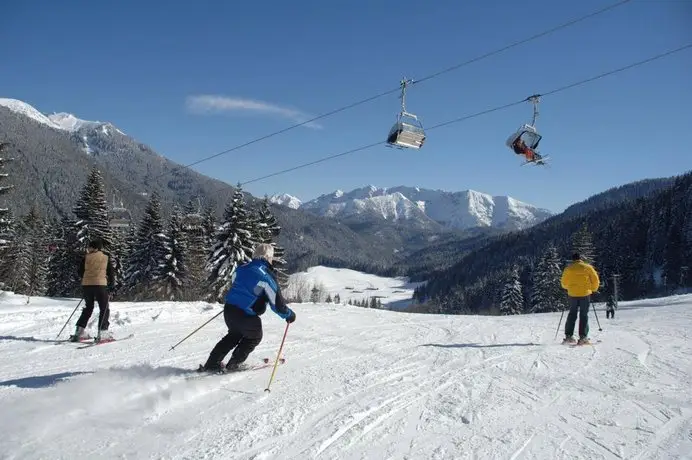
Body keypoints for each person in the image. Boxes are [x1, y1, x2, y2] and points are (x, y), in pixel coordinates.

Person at [200, 243, 296, 373]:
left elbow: (237, 285)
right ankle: (234, 364)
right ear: (269, 258)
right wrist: (289, 315)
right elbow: (277, 304)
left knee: (233, 335)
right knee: (254, 336)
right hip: (245, 315)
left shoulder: (241, 268)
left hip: (229, 310)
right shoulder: (267, 277)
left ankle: (212, 363)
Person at [70, 238, 115, 342]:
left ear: (93, 248)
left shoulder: (86, 257)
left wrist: (88, 279)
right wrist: (112, 285)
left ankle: (79, 332)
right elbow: (111, 273)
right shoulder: (105, 257)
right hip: (100, 285)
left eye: (90, 247)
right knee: (104, 308)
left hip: (86, 286)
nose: (88, 249)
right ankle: (103, 332)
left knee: (88, 308)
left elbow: (80, 272)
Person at [560, 252, 600, 345]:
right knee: (584, 315)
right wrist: (593, 289)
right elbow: (595, 280)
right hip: (585, 294)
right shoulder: (588, 267)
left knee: (572, 314)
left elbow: (563, 283)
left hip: (572, 295)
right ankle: (583, 337)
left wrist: (569, 288)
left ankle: (568, 336)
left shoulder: (568, 269)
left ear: (573, 260)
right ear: (580, 259)